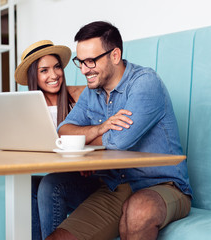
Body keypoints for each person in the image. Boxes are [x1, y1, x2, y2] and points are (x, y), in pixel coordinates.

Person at [44, 21, 192, 240]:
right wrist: (101, 128)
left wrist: (85, 136)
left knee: (139, 210)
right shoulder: (92, 92)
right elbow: (64, 132)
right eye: (80, 62)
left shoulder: (145, 83)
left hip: (164, 185)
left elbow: (119, 141)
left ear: (114, 55)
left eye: (91, 61)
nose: (84, 70)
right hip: (116, 186)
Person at [15, 40, 131, 240]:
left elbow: (109, 135)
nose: (54, 75)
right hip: (67, 176)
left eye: (57, 67)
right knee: (29, 186)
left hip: (97, 178)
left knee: (50, 186)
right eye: (44, 70)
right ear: (34, 76)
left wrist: (85, 157)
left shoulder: (82, 96)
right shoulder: (28, 110)